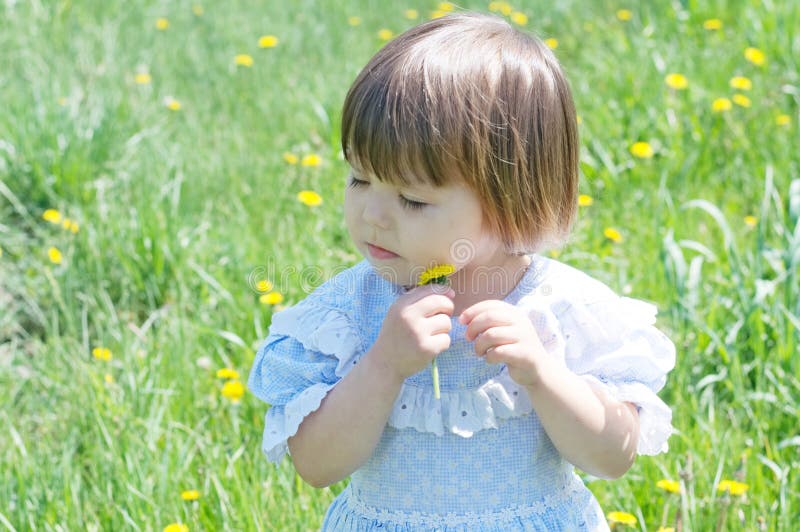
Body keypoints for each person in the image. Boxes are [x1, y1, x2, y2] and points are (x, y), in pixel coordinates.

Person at [248, 11, 675, 531]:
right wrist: (382, 366)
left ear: (511, 199)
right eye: (359, 180)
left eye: (412, 199)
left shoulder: (561, 310)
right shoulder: (349, 314)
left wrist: (543, 375)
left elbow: (613, 456)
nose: (372, 216)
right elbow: (316, 465)